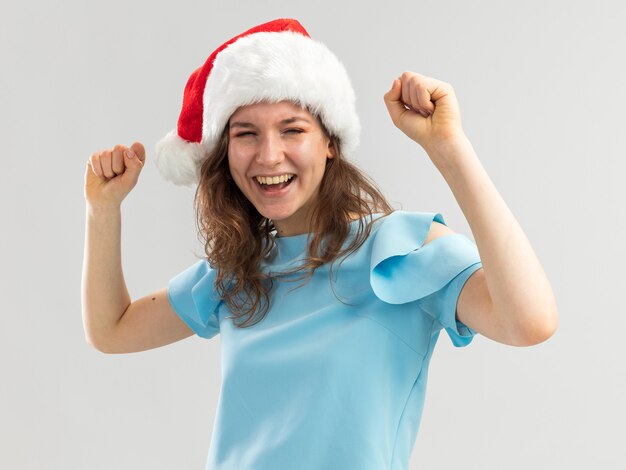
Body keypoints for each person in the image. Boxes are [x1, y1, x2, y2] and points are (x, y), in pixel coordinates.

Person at [82, 18, 558, 470]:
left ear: (330, 142)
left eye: (293, 129)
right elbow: (113, 329)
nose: (269, 155)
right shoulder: (237, 270)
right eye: (245, 134)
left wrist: (448, 148)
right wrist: (103, 210)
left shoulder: (399, 250)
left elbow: (529, 321)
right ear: (224, 155)